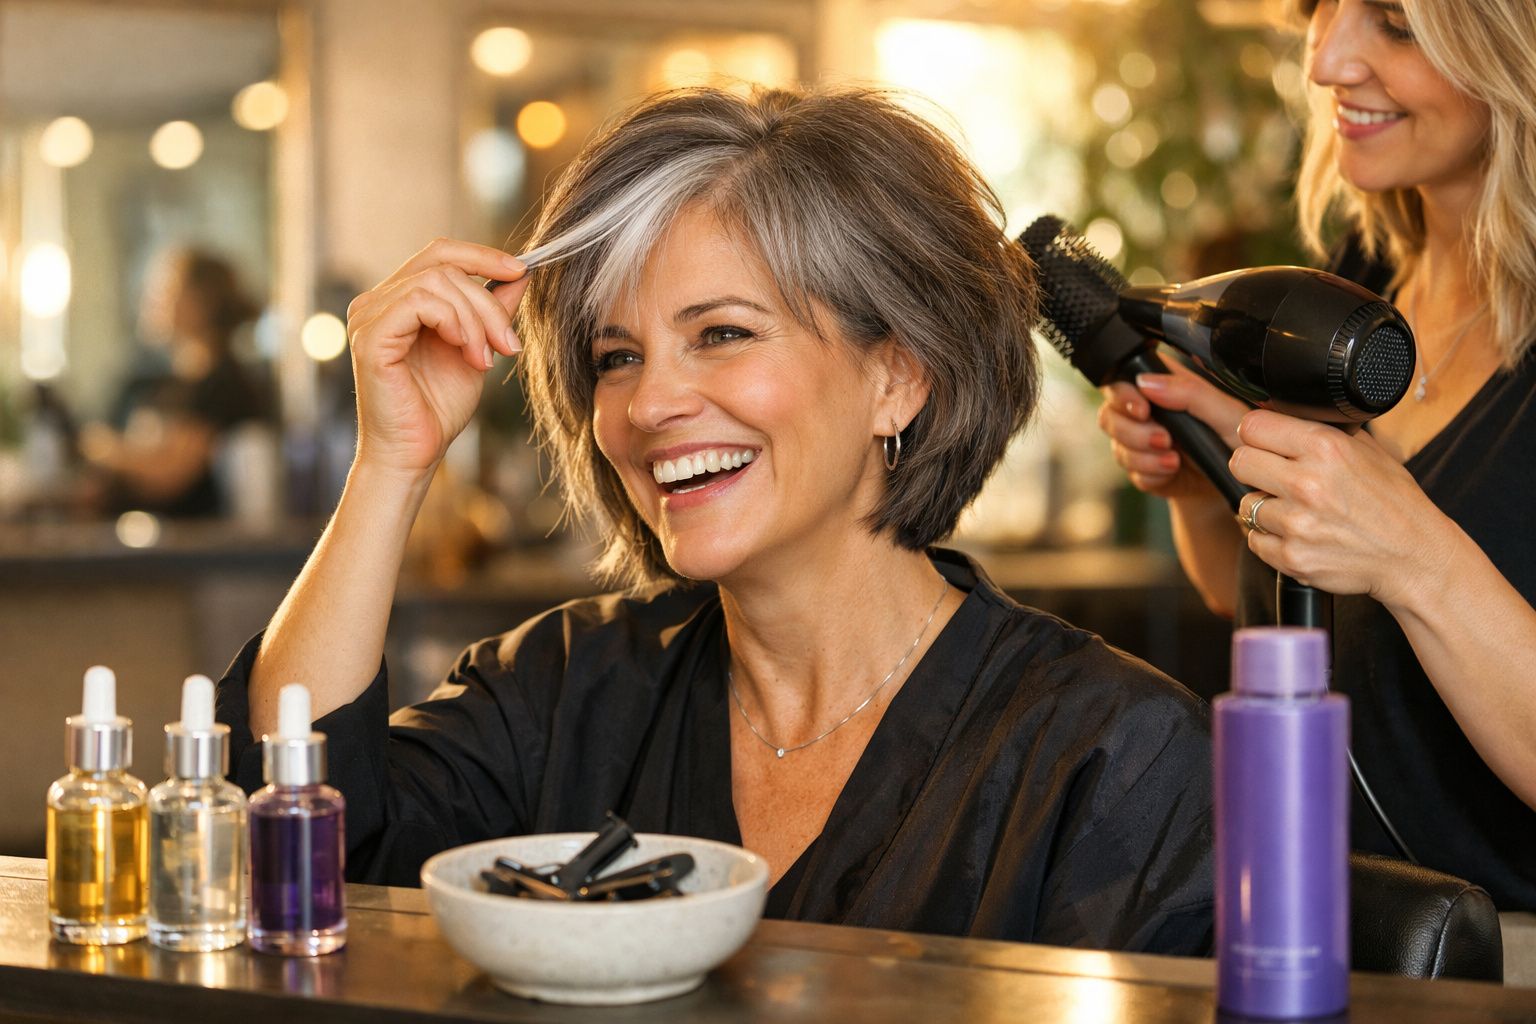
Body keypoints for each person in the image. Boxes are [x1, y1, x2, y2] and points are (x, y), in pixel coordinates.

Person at [217, 86, 1213, 953]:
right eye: (617, 356)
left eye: (722, 334)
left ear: (898, 376)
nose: (651, 405)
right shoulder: (565, 693)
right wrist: (392, 463)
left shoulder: (1108, 751)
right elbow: (289, 849)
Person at [1098, 0, 1536, 909]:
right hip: (1311, 925)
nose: (1328, 61)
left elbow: (1397, 562)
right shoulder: (1356, 288)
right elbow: (1262, 603)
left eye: (1394, 24)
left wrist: (1416, 556)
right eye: (1317, 10)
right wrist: (1201, 485)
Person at [80, 248, 270, 518]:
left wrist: (105, 448)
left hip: (190, 551)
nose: (150, 300)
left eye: (164, 290)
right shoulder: (166, 383)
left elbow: (168, 475)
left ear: (201, 302)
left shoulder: (225, 385)